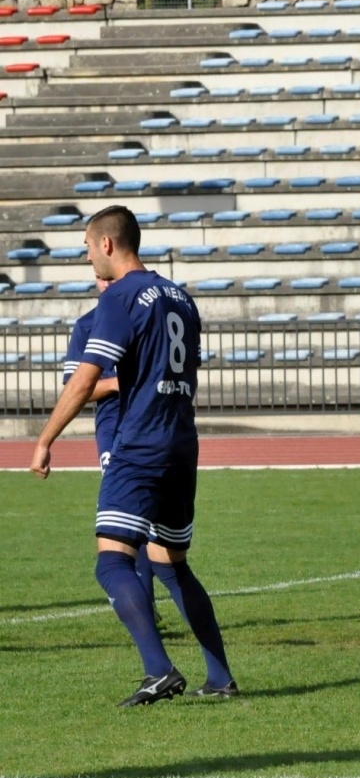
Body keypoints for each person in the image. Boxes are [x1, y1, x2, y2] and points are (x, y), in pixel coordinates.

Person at [31, 205, 237, 706]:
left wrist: (44, 439)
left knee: (111, 563)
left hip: (139, 442)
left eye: (85, 247)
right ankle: (220, 677)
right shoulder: (179, 296)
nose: (87, 258)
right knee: (170, 564)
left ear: (106, 244)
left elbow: (83, 380)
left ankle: (158, 669)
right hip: (181, 442)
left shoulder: (120, 297)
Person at [62, 279, 156, 618]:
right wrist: (118, 382)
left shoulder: (146, 317)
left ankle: (143, 599)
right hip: (113, 427)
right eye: (102, 280)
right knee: (129, 518)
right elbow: (76, 389)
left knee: (147, 520)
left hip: (149, 428)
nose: (106, 283)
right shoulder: (87, 325)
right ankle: (143, 600)